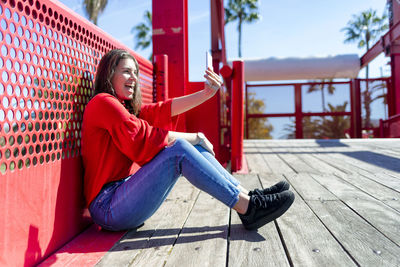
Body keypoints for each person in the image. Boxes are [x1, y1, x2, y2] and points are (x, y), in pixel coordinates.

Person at [81, 49, 294, 232]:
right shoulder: (103, 103)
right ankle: (249, 208)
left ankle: (247, 197)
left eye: (135, 73)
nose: (134, 78)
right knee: (181, 148)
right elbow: (141, 136)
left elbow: (161, 110)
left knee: (187, 145)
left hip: (121, 198)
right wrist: (196, 137)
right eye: (126, 71)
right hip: (107, 206)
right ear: (109, 74)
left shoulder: (123, 108)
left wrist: (205, 94)